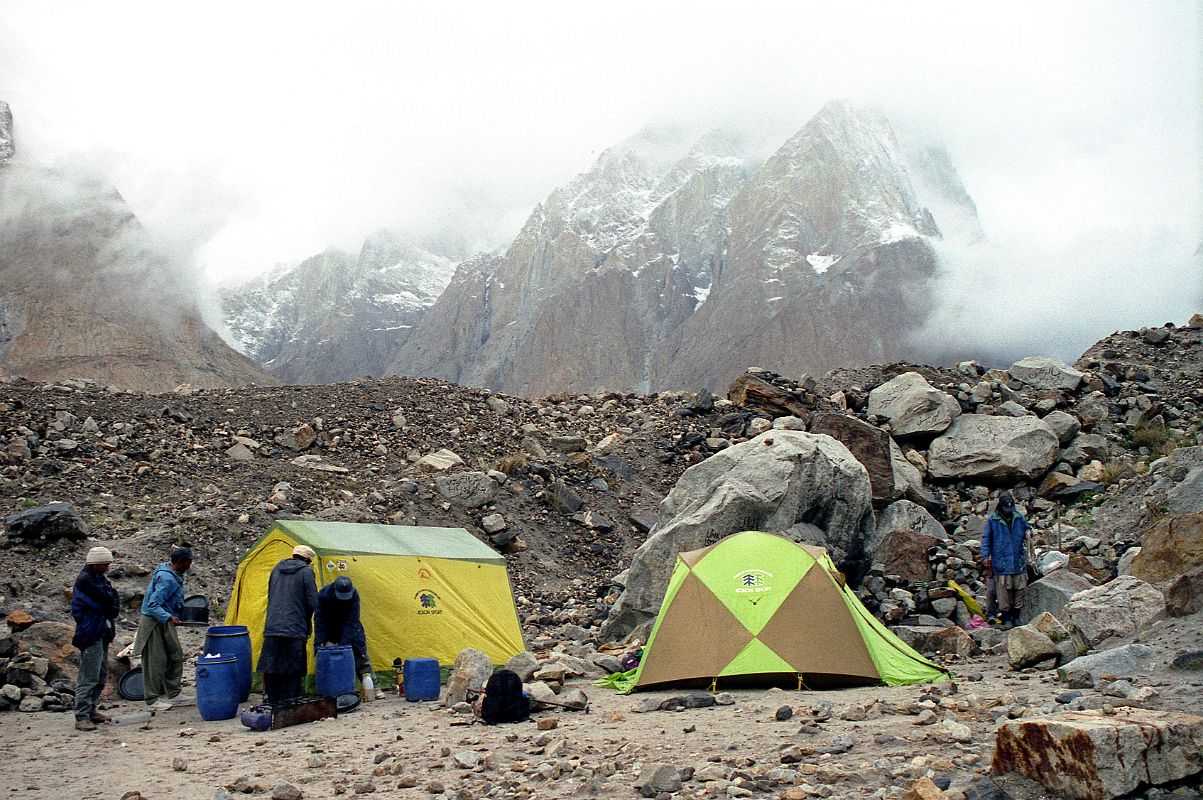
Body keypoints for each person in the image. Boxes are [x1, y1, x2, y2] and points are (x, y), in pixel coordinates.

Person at [133, 546, 194, 711]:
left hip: (164, 619)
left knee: (174, 654)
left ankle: (174, 693)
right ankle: (152, 698)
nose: (190, 566)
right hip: (154, 622)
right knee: (155, 660)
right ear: (180, 562)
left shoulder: (173, 576)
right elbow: (153, 604)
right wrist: (168, 617)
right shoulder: (166, 579)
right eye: (188, 562)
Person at [259, 544, 319, 705]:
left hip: (272, 626)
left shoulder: (276, 569)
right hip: (295, 627)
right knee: (293, 667)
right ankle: (289, 702)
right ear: (307, 559)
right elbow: (313, 602)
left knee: (272, 665)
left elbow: (271, 595)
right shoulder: (306, 572)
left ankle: (272, 700)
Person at [71, 546, 120, 731]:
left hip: (100, 630)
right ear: (97, 564)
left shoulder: (97, 579)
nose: (108, 567)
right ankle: (82, 715)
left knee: (99, 674)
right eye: (105, 564)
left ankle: (90, 711)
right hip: (91, 631)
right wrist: (110, 602)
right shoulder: (87, 582)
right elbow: (108, 601)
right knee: (89, 675)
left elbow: (110, 601)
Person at [315, 576, 384, 700]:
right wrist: (319, 642)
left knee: (361, 658)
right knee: (332, 662)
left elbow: (351, 620)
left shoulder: (354, 594)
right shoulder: (324, 595)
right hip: (330, 630)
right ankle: (338, 691)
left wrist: (344, 644)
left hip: (352, 629)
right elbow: (320, 620)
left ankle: (373, 686)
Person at [980, 492, 1032, 629]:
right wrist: (985, 556)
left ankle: (1017, 617)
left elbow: (1027, 528)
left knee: (1019, 589)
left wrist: (1028, 532)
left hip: (1018, 560)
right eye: (1006, 509)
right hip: (1001, 560)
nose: (1009, 512)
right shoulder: (993, 520)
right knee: (1004, 592)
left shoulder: (1019, 518)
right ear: (1000, 507)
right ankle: (1007, 618)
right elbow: (986, 539)